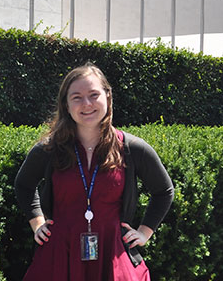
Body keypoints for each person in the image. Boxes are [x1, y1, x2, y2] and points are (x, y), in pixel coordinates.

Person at [14, 63, 174, 280]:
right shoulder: (48, 149)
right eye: (77, 97)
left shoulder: (132, 148)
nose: (86, 104)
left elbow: (164, 191)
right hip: (59, 255)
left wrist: (144, 232)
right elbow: (23, 185)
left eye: (93, 94)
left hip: (113, 253)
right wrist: (38, 223)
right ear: (66, 105)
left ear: (107, 97)